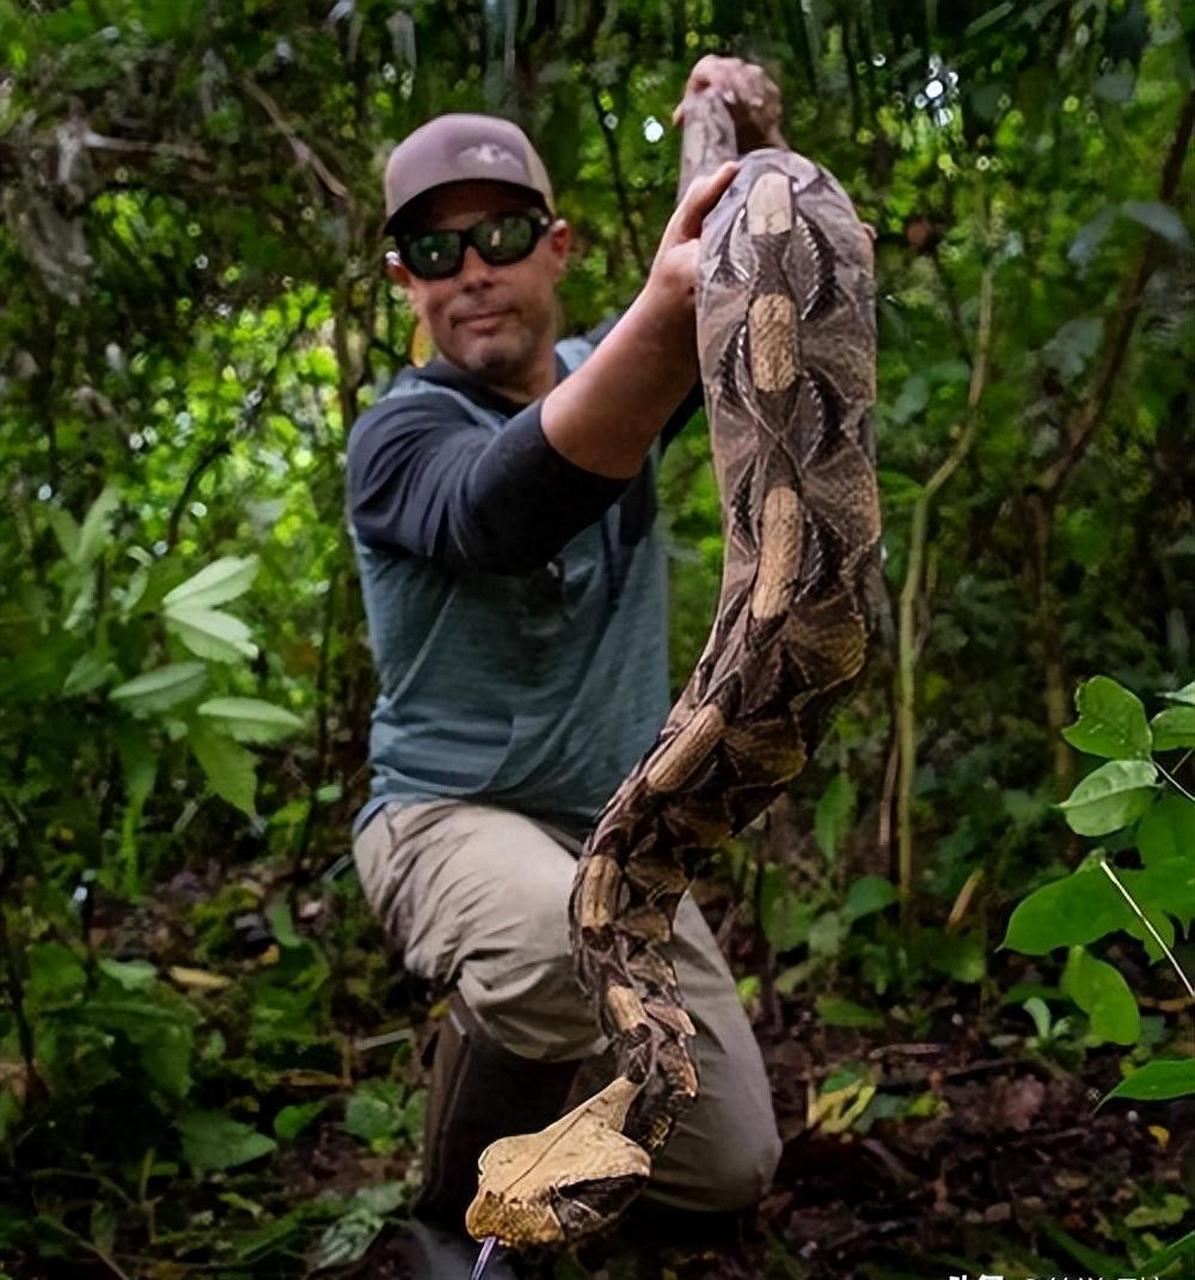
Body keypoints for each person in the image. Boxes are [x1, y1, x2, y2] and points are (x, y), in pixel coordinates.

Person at [347, 56, 787, 1276]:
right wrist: (662, 319)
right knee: (549, 947)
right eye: (435, 254)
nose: (471, 269)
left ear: (556, 245)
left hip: (617, 838)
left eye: (496, 235)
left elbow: (751, 288)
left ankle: (548, 1091)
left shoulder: (625, 370)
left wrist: (749, 150)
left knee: (727, 1162)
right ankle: (452, 1205)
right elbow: (500, 509)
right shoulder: (400, 435)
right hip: (446, 814)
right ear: (405, 285)